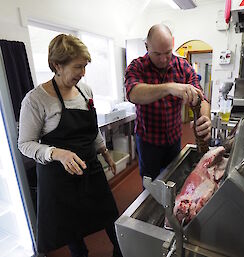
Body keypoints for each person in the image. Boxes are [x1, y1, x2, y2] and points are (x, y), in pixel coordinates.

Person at [18, 34, 123, 257]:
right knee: (72, 229)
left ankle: (120, 251)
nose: (82, 73)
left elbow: (91, 130)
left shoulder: (85, 91)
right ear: (57, 65)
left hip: (90, 168)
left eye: (84, 66)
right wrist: (56, 153)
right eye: (78, 67)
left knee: (110, 217)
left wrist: (105, 153)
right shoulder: (36, 100)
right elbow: (25, 144)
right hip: (59, 178)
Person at [125, 24, 212, 182]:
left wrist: (204, 118)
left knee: (174, 177)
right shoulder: (137, 66)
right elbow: (133, 93)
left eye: (168, 52)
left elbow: (201, 97)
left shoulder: (182, 66)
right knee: (150, 183)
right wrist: (169, 88)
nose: (164, 59)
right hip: (147, 141)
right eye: (157, 54)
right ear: (146, 46)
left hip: (173, 138)